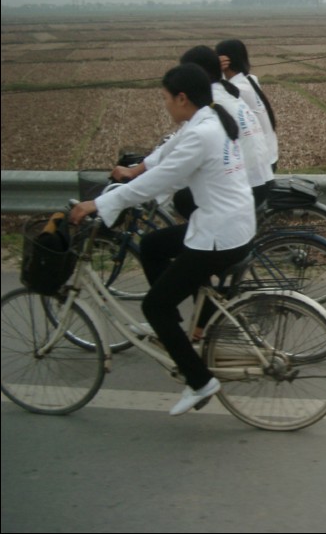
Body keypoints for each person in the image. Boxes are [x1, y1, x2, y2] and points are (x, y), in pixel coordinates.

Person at [70, 63, 255, 416]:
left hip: (220, 234)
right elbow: (166, 157)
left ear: (182, 98)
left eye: (166, 99)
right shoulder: (206, 121)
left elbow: (161, 180)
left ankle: (200, 381)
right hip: (229, 224)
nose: (165, 105)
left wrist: (98, 202)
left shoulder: (202, 132)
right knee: (154, 246)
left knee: (152, 306)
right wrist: (135, 170)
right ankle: (170, 327)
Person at [170, 45, 274, 218]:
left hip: (249, 182)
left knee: (182, 201)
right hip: (262, 173)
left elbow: (183, 141)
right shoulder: (232, 91)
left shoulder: (214, 102)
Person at [215, 39, 279, 173]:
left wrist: (214, 71)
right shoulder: (250, 80)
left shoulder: (238, 89)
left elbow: (212, 93)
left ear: (225, 61)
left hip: (260, 160)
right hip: (269, 153)